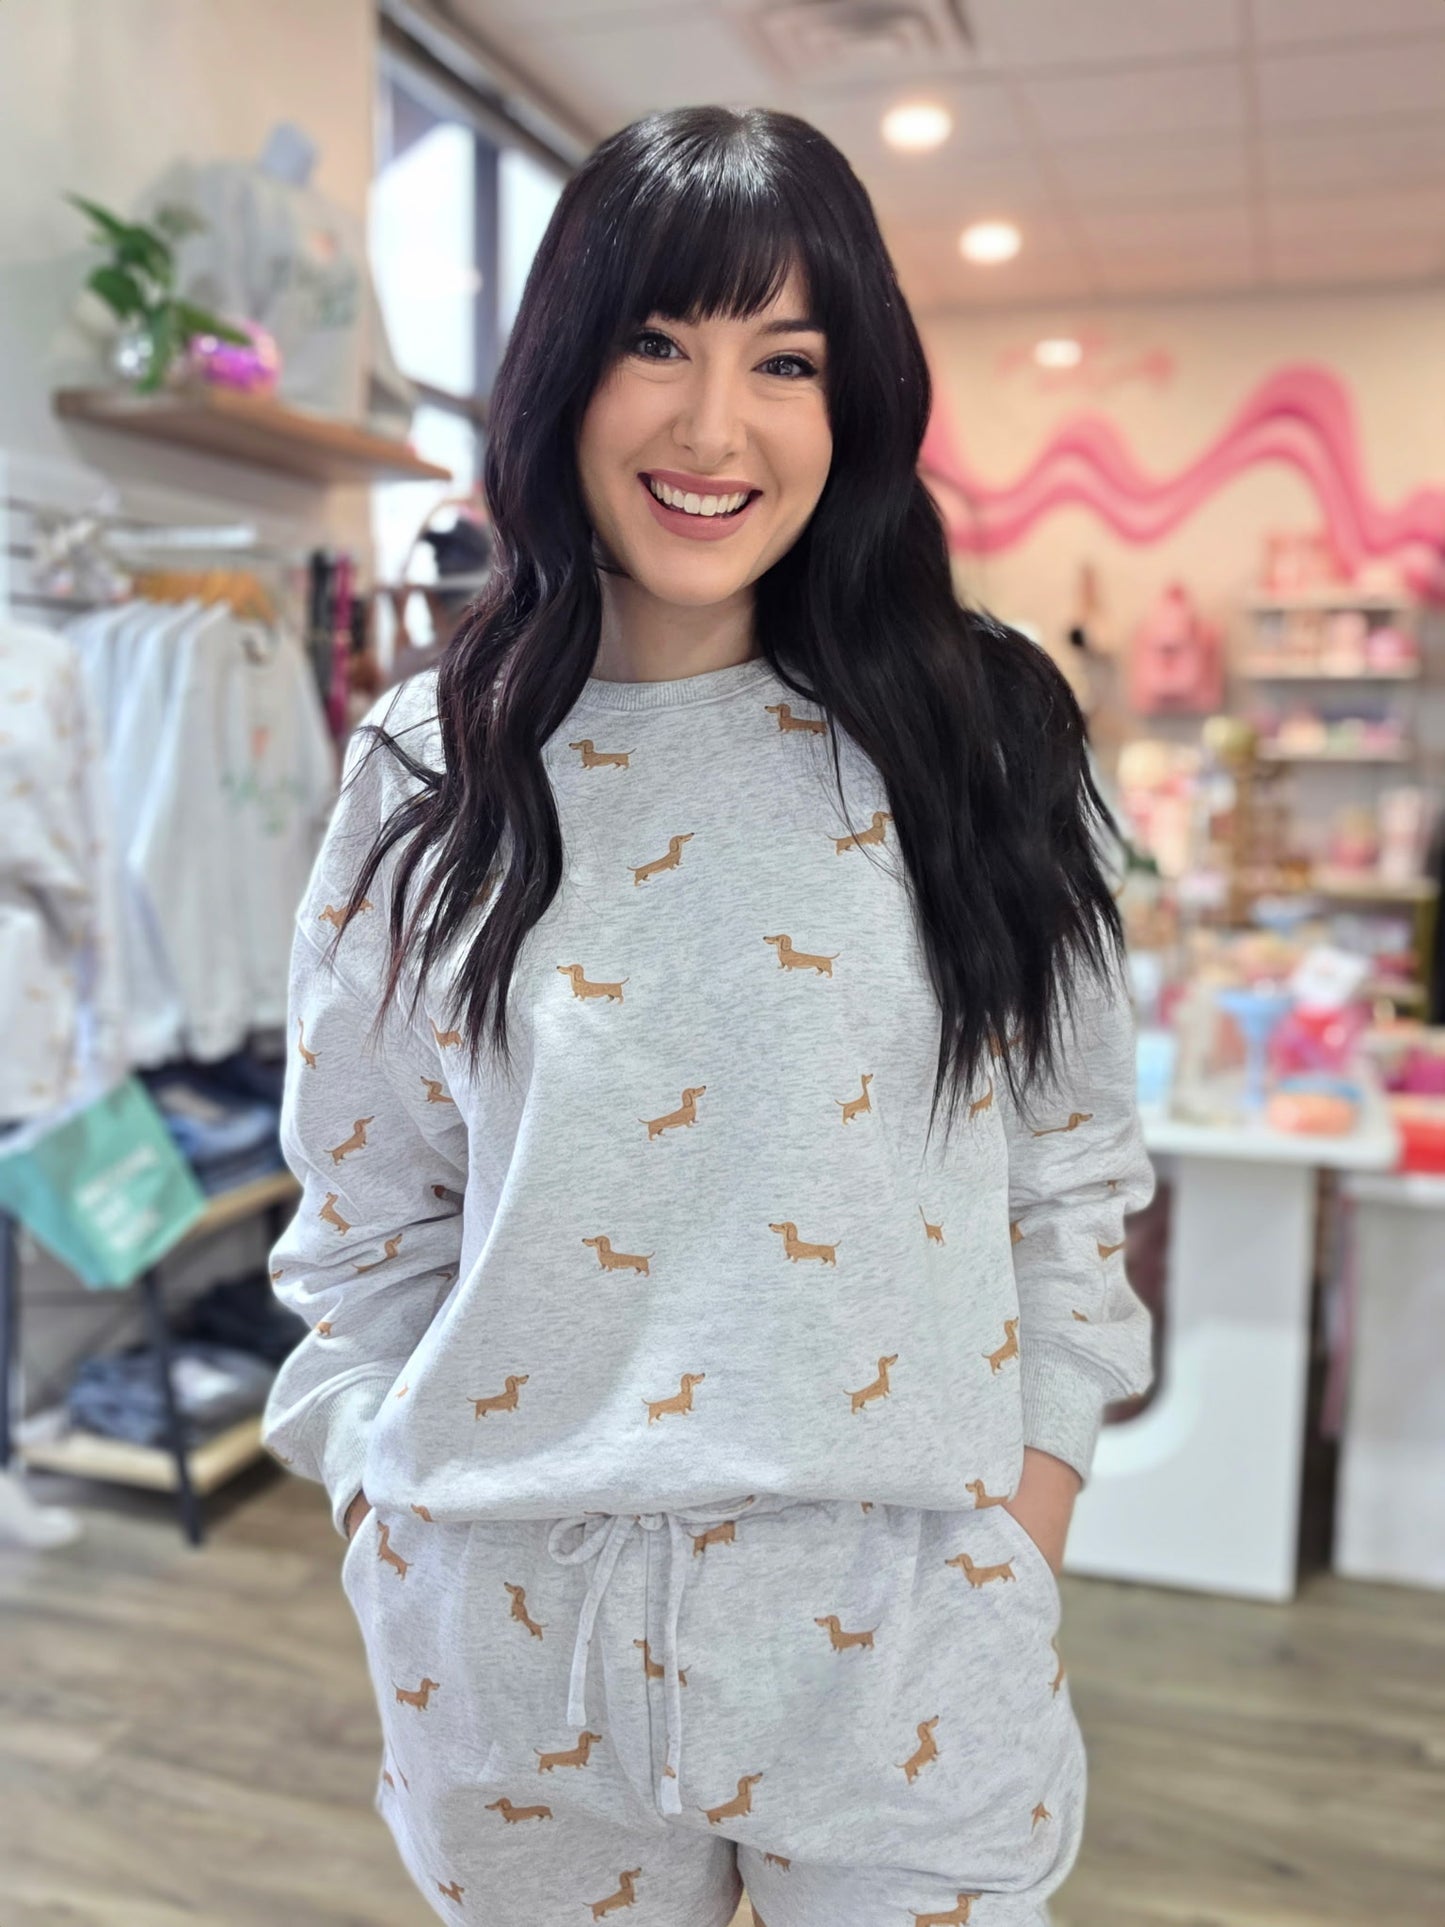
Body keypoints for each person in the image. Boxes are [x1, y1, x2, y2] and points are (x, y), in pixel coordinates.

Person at [260, 104, 1156, 1927]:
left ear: (857, 403)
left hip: (900, 1649)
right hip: (513, 1655)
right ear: (563, 376)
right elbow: (364, 1224)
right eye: (656, 343)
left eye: (786, 359)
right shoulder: (425, 768)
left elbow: (1066, 1184)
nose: (711, 427)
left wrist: (1014, 1537)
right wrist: (388, 1521)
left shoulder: (986, 736)